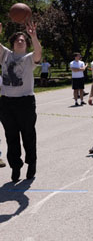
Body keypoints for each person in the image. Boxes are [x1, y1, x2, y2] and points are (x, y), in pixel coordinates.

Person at [0, 21, 42, 182]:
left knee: (28, 135)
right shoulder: (5, 55)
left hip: (25, 103)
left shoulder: (29, 58)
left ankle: (31, 163)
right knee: (11, 137)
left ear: (26, 44)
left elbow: (38, 52)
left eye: (23, 40)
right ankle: (15, 167)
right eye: (17, 39)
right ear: (13, 43)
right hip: (6, 103)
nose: (20, 41)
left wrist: (33, 35)